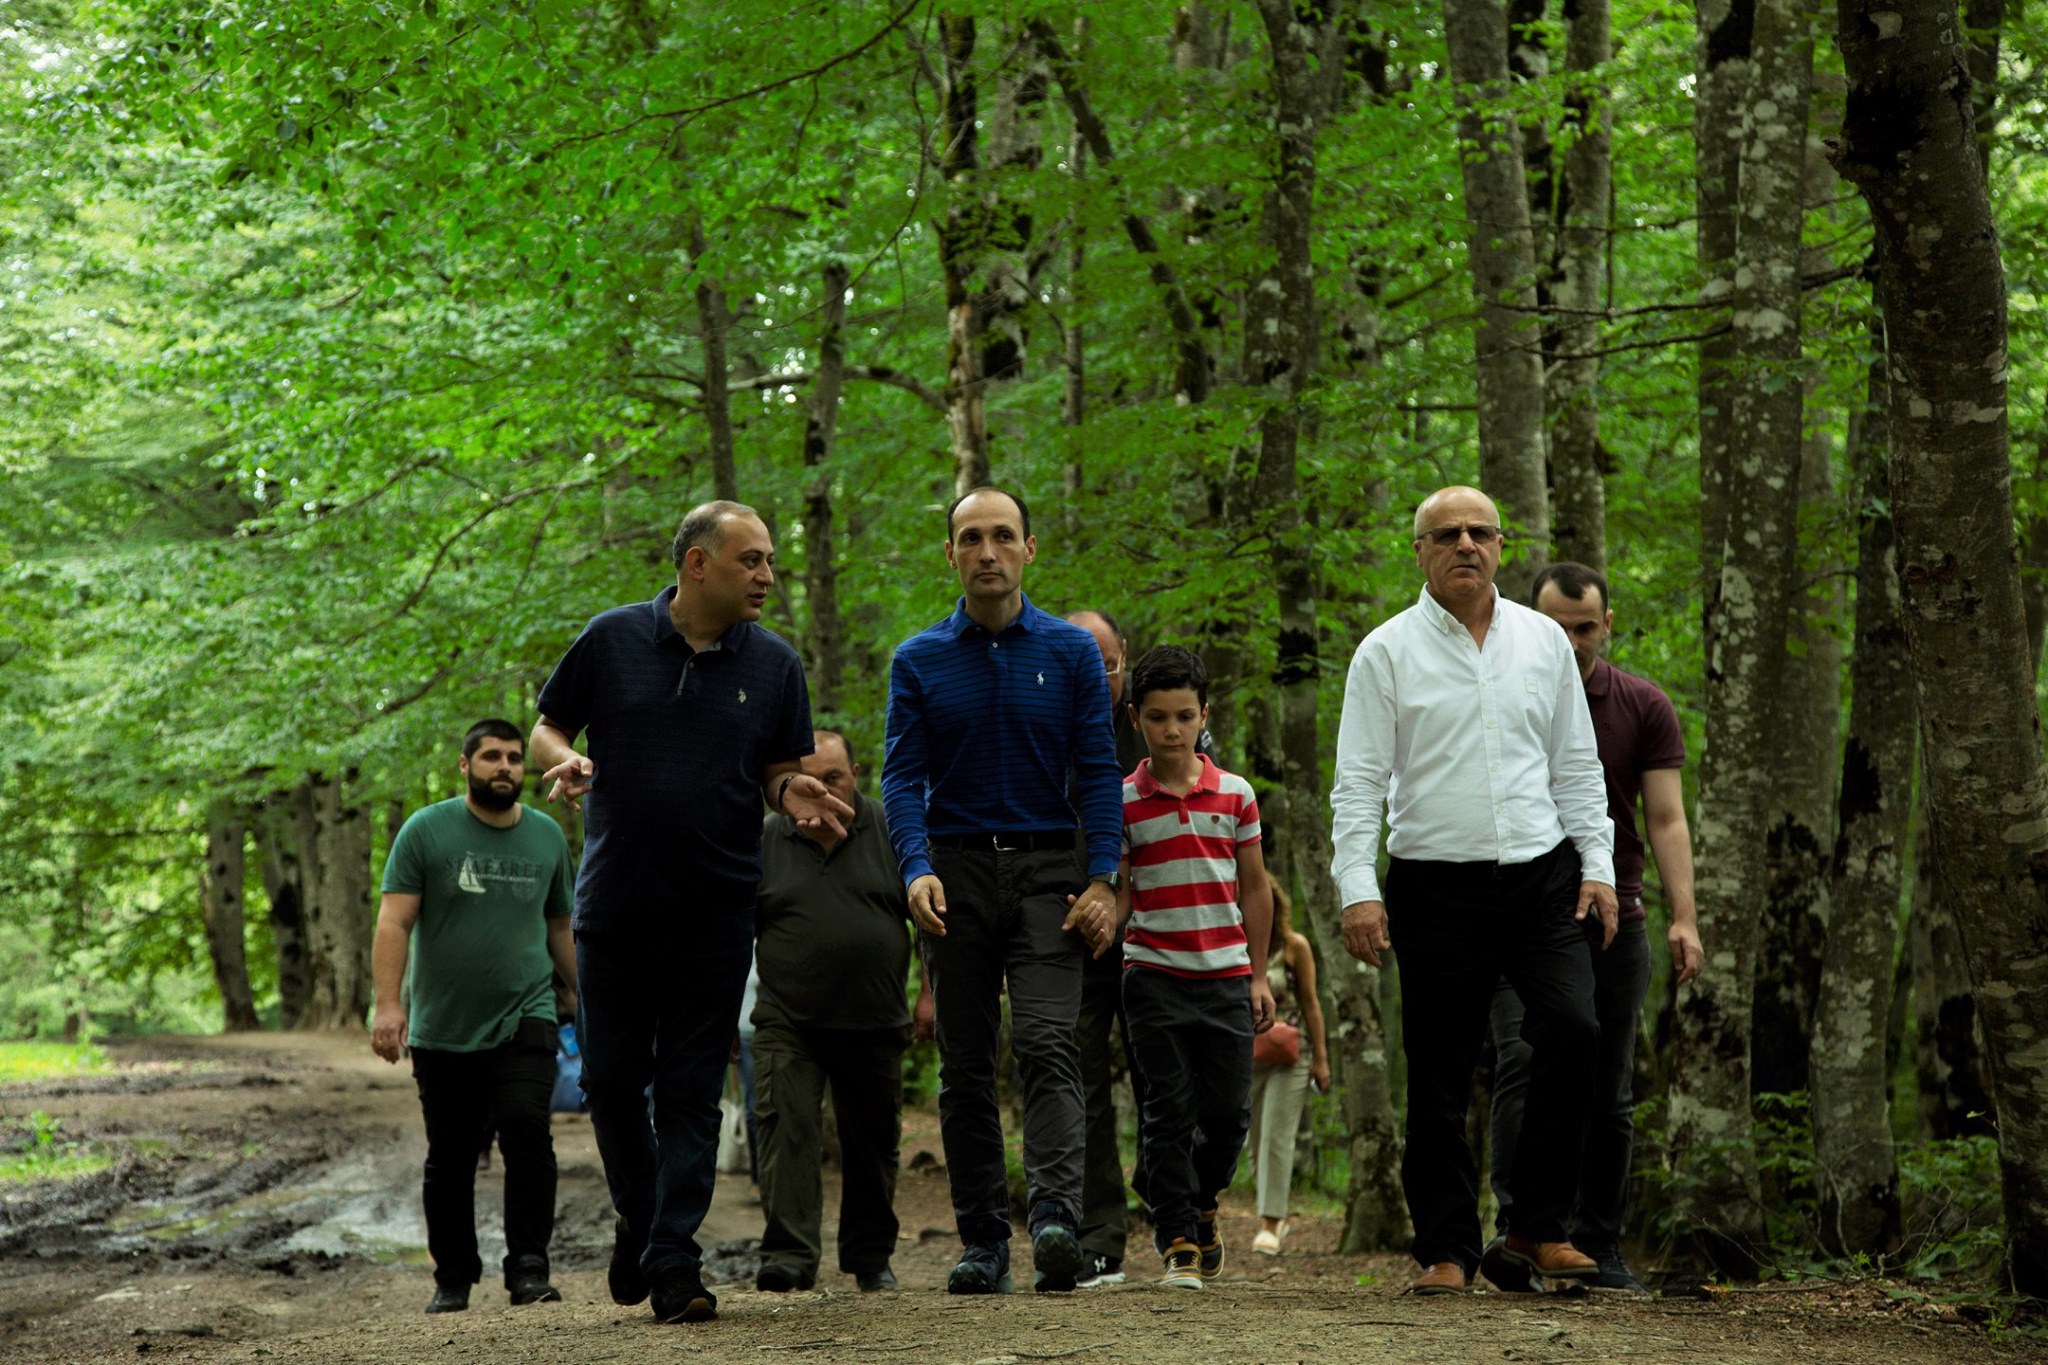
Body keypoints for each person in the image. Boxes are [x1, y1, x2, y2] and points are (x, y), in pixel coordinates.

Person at [528, 500, 852, 1325]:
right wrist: (566, 759)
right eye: (752, 560)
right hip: (616, 906)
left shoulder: (775, 663)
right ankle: (641, 1215)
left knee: (691, 1092)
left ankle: (674, 1256)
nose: (768, 575)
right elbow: (546, 727)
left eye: (770, 559)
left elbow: (776, 770)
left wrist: (790, 788)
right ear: (697, 564)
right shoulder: (611, 639)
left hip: (716, 909)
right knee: (609, 1082)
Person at [1328, 485, 1618, 1296]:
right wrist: (1358, 888)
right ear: (1419, 550)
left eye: (1480, 532)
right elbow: (1358, 783)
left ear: (1500, 546)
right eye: (1447, 533)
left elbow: (1576, 765)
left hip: (1542, 876)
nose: (1465, 544)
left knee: (1574, 1028)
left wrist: (1597, 864)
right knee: (1439, 1071)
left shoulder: (1543, 640)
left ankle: (1535, 1226)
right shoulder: (1385, 652)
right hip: (1433, 885)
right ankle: (1446, 1249)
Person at [882, 485, 1123, 1295]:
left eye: (1003, 536)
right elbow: (901, 776)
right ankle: (984, 1239)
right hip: (953, 873)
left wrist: (1105, 876)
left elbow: (1098, 770)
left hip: (1049, 871)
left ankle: (1054, 1219)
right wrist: (914, 865)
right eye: (971, 538)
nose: (988, 552)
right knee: (965, 1063)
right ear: (950, 553)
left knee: (1049, 1041)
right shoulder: (918, 658)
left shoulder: (1072, 651)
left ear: (1028, 548)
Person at [1482, 562, 1706, 1293]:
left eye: (1585, 627)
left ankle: (1598, 1242)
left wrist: (1684, 916)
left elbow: (1666, 817)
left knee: (1609, 1088)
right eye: (1557, 627)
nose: (1573, 641)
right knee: (1522, 1066)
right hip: (1521, 918)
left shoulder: (1642, 704)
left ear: (1607, 625)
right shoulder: (1498, 698)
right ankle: (1517, 1230)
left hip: (1617, 918)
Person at [370, 718, 578, 1314]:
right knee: (452, 1153)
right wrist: (389, 1004)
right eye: (491, 757)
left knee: (526, 1131)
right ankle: (454, 1276)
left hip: (527, 1012)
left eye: (513, 757)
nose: (505, 767)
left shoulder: (546, 837)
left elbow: (560, 928)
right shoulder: (426, 830)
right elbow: (394, 922)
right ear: (465, 766)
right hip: (444, 1024)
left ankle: (530, 1268)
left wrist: (589, 999)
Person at [1084, 645, 1274, 1289]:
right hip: (1153, 975)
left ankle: (1201, 1200)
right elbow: (1122, 892)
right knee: (1166, 1110)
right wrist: (1101, 915)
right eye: (1159, 717)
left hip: (1225, 974)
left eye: (1185, 717)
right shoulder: (1122, 801)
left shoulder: (1236, 795)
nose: (1172, 730)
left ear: (1204, 716)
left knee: (1227, 1116)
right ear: (1135, 717)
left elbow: (1255, 888)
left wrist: (1258, 974)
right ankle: (1177, 1239)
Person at [1061, 608, 1219, 1287]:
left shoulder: (1159, 721)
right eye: (1080, 661)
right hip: (1071, 938)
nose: (1095, 674)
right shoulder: (1047, 725)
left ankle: (1168, 1194)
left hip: (1161, 942)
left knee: (1177, 1087)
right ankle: (1099, 1236)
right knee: (1081, 1082)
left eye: (1105, 662)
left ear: (1122, 657)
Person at [751, 728, 912, 1295]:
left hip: (875, 1017)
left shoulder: (892, 830)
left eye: (834, 777)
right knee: (785, 1130)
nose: (821, 790)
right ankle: (789, 1255)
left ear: (857, 775)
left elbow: (932, 917)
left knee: (872, 1142)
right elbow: (732, 931)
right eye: (809, 779)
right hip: (787, 1018)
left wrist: (932, 995)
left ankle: (870, 1257)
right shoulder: (768, 838)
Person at [1247, 883, 1331, 1256]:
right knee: (1253, 1138)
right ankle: (1269, 1209)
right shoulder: (1236, 946)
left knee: (1277, 1135)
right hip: (1249, 1053)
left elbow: (1311, 1002)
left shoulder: (1295, 947)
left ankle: (1271, 1221)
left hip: (1292, 1053)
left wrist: (1321, 1059)